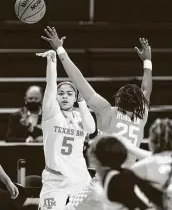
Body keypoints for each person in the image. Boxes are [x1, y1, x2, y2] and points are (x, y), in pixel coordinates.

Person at [41, 26, 152, 167]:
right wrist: (147, 61)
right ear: (138, 102)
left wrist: (60, 50)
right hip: (128, 175)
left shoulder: (106, 110)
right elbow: (146, 89)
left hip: (103, 177)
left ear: (118, 99)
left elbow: (79, 80)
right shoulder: (141, 116)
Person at [35, 50, 95, 210]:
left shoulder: (80, 116)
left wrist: (82, 102)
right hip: (55, 179)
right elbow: (50, 85)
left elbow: (91, 128)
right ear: (56, 97)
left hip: (80, 177)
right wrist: (51, 61)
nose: (65, 96)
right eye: (61, 93)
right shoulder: (51, 114)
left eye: (69, 94)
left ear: (75, 97)